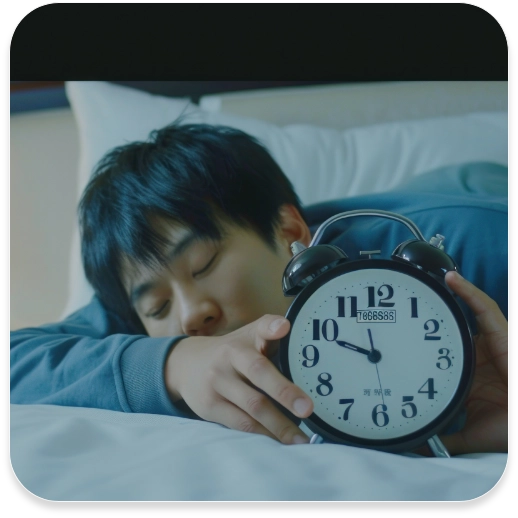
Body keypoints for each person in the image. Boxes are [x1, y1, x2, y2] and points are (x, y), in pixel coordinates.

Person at [10, 122, 508, 456]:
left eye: (204, 264)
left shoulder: (477, 246)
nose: (189, 315)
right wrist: (174, 363)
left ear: (289, 232)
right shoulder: (143, 305)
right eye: (158, 306)